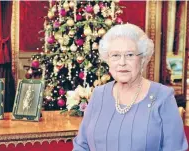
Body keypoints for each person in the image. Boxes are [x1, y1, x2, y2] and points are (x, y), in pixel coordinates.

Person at [73, 23, 188, 151]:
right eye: (115, 55)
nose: (122, 63)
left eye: (130, 55)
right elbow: (81, 145)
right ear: (108, 60)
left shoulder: (163, 97)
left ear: (143, 59)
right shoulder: (98, 94)